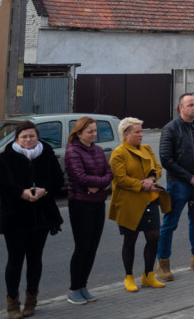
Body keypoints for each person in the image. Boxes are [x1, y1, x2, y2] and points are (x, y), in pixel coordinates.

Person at [0, 121, 64, 318]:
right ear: (17, 138)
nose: (28, 140)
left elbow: (58, 179)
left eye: (32, 136)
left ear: (37, 137)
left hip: (40, 217)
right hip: (14, 218)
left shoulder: (47, 154)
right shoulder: (6, 157)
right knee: (15, 261)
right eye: (24, 136)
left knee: (35, 260)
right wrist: (20, 193)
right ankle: (12, 302)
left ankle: (31, 300)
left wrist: (45, 190)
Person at [156, 93, 194, 280]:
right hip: (179, 184)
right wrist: (190, 178)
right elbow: (166, 159)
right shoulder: (170, 129)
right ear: (180, 108)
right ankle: (163, 263)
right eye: (190, 105)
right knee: (170, 224)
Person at [109, 117, 171, 293]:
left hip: (150, 199)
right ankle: (129, 277)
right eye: (137, 132)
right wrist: (141, 184)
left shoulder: (147, 149)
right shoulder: (119, 153)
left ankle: (148, 275)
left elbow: (157, 168)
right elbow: (120, 178)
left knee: (154, 237)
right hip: (129, 202)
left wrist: (151, 179)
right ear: (126, 134)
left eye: (141, 131)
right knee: (130, 239)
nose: (141, 135)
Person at [64, 116, 113, 305]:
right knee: (82, 246)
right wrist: (100, 183)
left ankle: (83, 286)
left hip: (97, 202)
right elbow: (80, 177)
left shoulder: (98, 150)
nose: (94, 134)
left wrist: (99, 186)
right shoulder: (72, 151)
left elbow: (109, 173)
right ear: (78, 133)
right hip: (80, 204)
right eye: (90, 131)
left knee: (93, 247)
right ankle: (73, 288)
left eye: (95, 131)